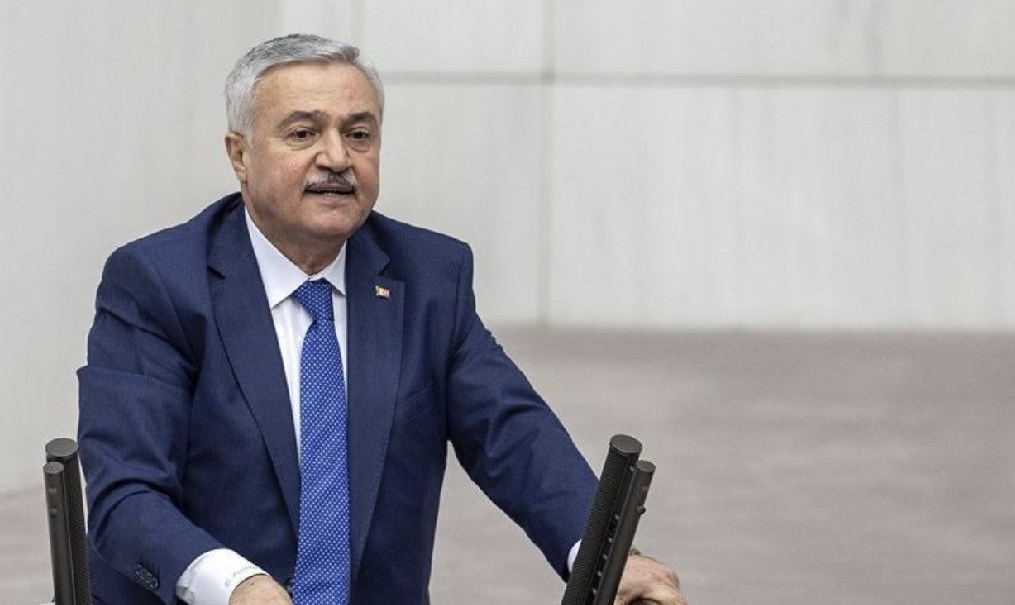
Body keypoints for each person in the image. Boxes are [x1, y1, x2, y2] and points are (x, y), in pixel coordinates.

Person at [77, 33, 686, 605]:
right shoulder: (159, 283)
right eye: (303, 133)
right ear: (240, 154)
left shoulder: (429, 276)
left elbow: (513, 434)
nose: (336, 157)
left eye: (359, 134)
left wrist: (602, 558)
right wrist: (236, 586)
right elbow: (126, 495)